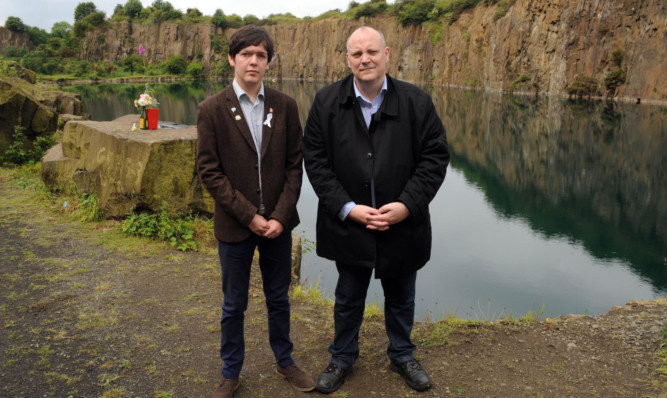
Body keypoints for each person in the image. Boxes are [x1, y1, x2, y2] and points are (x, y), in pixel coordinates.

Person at [302, 26, 450, 393]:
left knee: (402, 295)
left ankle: (402, 355)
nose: (364, 59)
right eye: (356, 53)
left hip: (402, 224)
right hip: (350, 225)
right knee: (348, 297)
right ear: (347, 59)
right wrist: (347, 208)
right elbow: (316, 161)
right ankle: (342, 357)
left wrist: (406, 205)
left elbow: (435, 157)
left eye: (371, 51)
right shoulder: (326, 101)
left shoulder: (417, 101)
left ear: (387, 53)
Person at [196, 25, 315, 398]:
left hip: (278, 225)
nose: (253, 61)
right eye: (246, 54)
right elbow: (210, 172)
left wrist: (279, 216)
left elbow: (296, 164)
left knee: (278, 297)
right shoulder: (211, 109)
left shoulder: (285, 105)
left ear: (268, 62)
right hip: (235, 225)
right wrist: (250, 215)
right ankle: (230, 372)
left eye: (261, 55)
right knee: (234, 303)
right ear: (232, 59)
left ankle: (285, 361)